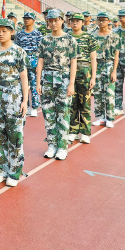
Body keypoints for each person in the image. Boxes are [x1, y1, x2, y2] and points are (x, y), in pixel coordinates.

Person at [0, 18, 29, 187]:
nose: (0, 34)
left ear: (11, 32)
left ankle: (15, 171)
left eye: (4, 30)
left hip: (14, 95)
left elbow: (24, 77)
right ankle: (1, 169)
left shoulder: (18, 51)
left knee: (14, 133)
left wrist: (25, 100)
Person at [36, 9, 77, 160]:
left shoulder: (69, 40)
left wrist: (71, 83)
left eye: (56, 20)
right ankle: (52, 144)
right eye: (50, 21)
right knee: (48, 113)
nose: (53, 23)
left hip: (64, 78)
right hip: (47, 79)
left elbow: (74, 63)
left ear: (62, 21)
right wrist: (38, 81)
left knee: (63, 113)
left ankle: (62, 147)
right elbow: (40, 62)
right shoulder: (44, 40)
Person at [68, 13, 98, 144]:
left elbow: (93, 58)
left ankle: (85, 132)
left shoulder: (88, 37)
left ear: (82, 22)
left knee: (85, 103)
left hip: (85, 71)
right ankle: (73, 130)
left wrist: (93, 77)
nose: (75, 23)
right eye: (72, 21)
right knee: (72, 103)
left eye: (77, 21)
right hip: (70, 71)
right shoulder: (66, 37)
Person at [92, 12, 120, 128]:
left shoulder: (114, 36)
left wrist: (114, 71)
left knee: (109, 93)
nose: (101, 22)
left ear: (108, 21)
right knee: (97, 93)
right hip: (96, 65)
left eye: (104, 20)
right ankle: (100, 117)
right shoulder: (93, 35)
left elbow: (117, 54)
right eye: (99, 20)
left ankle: (109, 118)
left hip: (108, 64)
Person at [15, 12, 43, 117]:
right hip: (22, 62)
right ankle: (24, 105)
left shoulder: (38, 34)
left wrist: (39, 65)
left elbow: (41, 51)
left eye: (29, 18)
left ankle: (34, 107)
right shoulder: (19, 34)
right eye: (25, 18)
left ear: (34, 20)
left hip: (34, 61)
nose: (26, 20)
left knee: (34, 84)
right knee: (23, 85)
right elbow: (17, 48)